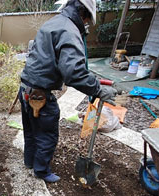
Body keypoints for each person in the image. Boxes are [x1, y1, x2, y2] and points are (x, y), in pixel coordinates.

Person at [18, 0, 117, 183]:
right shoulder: (69, 31)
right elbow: (73, 73)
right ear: (82, 13)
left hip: (25, 88)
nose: (86, 24)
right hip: (40, 94)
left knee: (31, 130)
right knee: (47, 135)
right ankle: (41, 171)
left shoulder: (53, 23)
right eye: (87, 20)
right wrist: (97, 89)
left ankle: (30, 162)